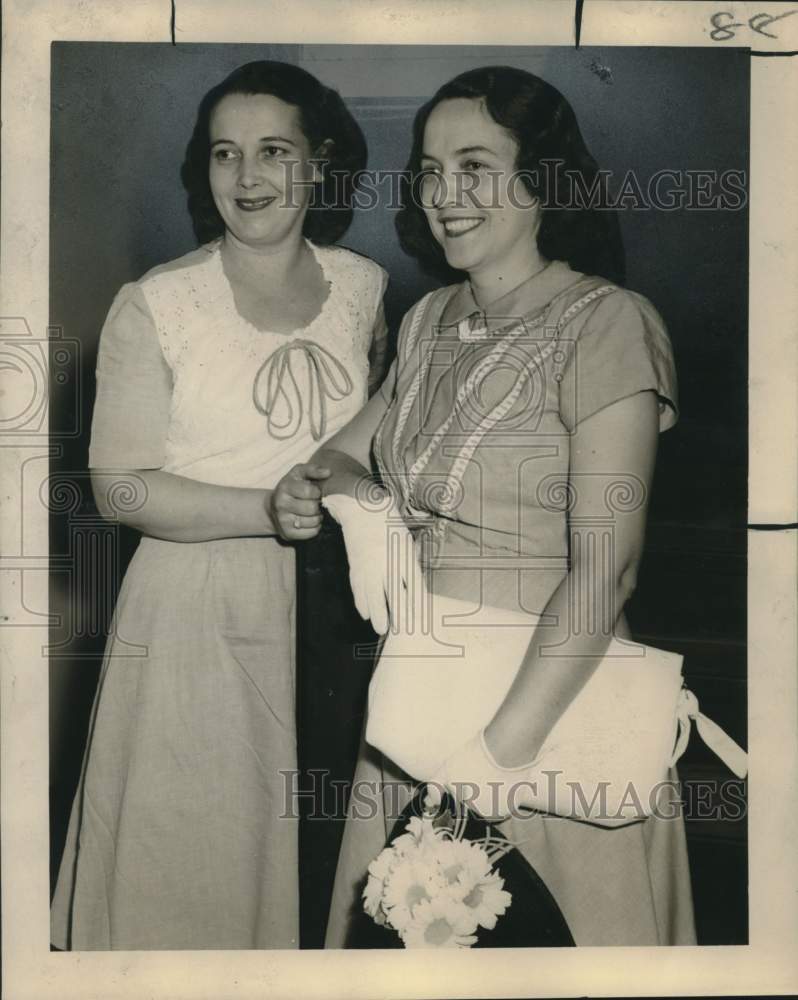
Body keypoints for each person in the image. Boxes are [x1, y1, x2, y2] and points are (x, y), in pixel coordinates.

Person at [272, 65, 697, 947]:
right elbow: (331, 460)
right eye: (430, 170)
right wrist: (366, 514)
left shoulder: (607, 324)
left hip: (546, 712)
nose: (444, 195)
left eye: (475, 166)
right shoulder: (428, 320)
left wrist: (493, 764)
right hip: (423, 697)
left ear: (542, 179)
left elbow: (606, 571)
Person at [50, 60, 388, 951]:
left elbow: (372, 443)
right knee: (193, 860)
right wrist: (266, 510)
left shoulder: (364, 288)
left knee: (317, 863)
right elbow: (119, 485)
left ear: (320, 162)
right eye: (225, 154)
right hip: (192, 611)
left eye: (274, 151)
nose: (248, 179)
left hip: (336, 608)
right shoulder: (157, 303)